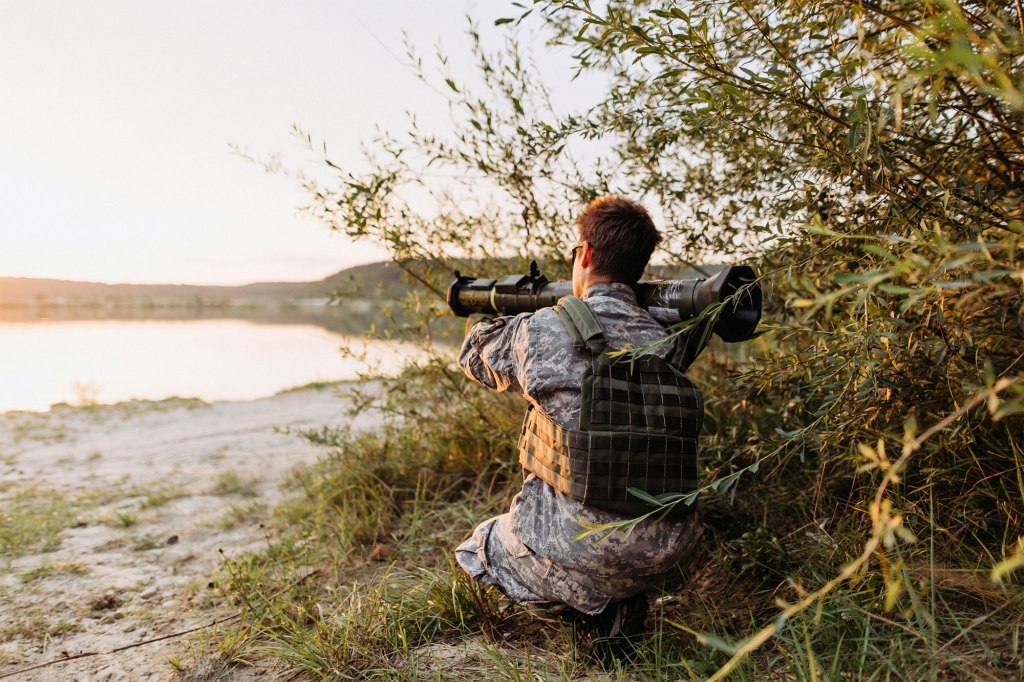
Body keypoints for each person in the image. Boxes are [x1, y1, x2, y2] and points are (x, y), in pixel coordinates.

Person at [454, 195, 705, 652]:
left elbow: (474, 355)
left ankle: (594, 607)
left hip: (581, 547)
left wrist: (532, 311)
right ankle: (617, 594)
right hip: (673, 546)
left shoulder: (542, 330)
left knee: (477, 549)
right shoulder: (670, 341)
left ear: (585, 254)